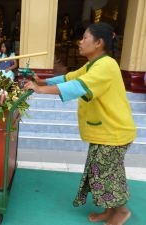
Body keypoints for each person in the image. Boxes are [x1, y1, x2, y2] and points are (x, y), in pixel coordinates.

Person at [24, 23, 136, 225]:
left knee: (106, 174)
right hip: (107, 132)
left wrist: (40, 90)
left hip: (114, 132)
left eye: (85, 38)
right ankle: (110, 211)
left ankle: (120, 212)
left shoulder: (107, 65)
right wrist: (43, 81)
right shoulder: (94, 64)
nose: (80, 41)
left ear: (99, 43)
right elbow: (70, 77)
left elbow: (78, 86)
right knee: (103, 172)